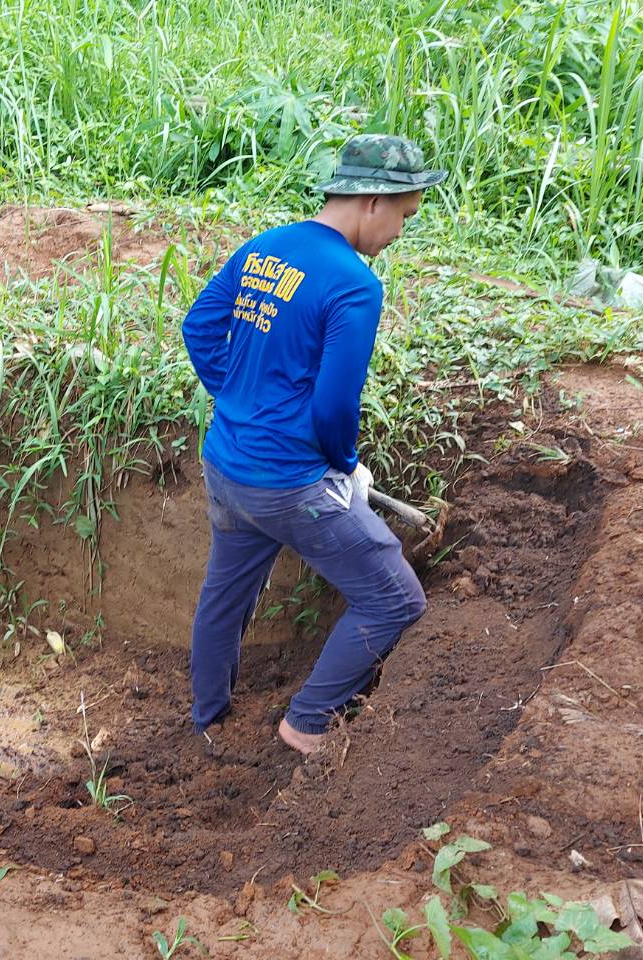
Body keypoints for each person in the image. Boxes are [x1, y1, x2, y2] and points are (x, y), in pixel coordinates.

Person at [180, 134, 445, 754]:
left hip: (226, 465)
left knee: (225, 594)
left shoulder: (264, 249)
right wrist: (345, 466)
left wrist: (240, 401)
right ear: (373, 201)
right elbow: (333, 406)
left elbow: (199, 327)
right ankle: (308, 722)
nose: (400, 233)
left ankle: (207, 719)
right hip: (289, 484)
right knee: (395, 598)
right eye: (404, 216)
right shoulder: (354, 285)